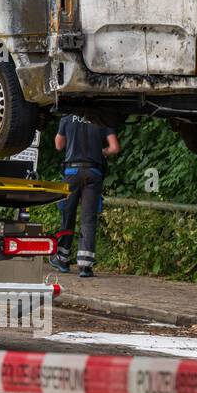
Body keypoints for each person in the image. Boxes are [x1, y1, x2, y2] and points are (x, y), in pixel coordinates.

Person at [50, 114, 119, 278]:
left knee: (68, 214)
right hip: (93, 172)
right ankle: (85, 266)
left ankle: (62, 258)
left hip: (72, 172)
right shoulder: (103, 118)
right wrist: (101, 152)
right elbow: (114, 147)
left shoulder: (67, 118)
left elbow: (58, 145)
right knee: (88, 218)